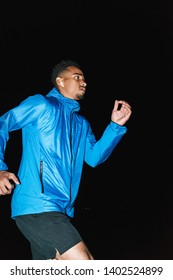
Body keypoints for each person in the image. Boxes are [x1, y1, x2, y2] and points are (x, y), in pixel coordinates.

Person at [0, 59, 132, 260]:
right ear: (60, 81)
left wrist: (115, 127)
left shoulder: (81, 123)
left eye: (84, 78)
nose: (84, 82)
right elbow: (3, 123)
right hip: (38, 204)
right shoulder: (42, 105)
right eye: (77, 77)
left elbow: (94, 158)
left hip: (62, 210)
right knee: (85, 264)